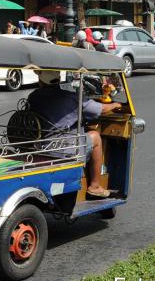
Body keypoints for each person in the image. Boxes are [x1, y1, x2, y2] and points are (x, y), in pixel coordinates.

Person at [28, 70, 123, 199]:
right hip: (62, 148)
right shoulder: (71, 97)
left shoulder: (33, 96)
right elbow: (101, 109)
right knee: (95, 136)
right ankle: (95, 186)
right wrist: (115, 105)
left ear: (41, 80)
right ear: (58, 79)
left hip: (39, 145)